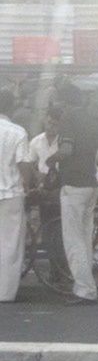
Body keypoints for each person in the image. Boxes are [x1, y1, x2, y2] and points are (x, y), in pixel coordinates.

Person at [46, 84, 98, 305]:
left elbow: (66, 150)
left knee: (73, 241)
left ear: (64, 102)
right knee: (84, 239)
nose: (54, 104)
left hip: (73, 185)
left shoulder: (68, 119)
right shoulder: (92, 120)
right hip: (91, 185)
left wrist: (51, 159)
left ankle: (84, 290)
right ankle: (88, 286)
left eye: (56, 100)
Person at [0, 89, 32, 302]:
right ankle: (5, 293)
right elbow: (24, 165)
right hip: (10, 193)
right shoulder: (17, 132)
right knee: (10, 244)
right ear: (11, 107)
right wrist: (28, 185)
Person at [30, 104, 66, 284]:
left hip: (61, 188)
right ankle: (54, 269)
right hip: (45, 189)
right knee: (48, 230)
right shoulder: (36, 142)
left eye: (54, 124)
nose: (50, 127)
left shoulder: (65, 142)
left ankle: (64, 269)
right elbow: (29, 164)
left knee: (62, 231)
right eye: (49, 123)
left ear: (60, 125)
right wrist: (37, 178)